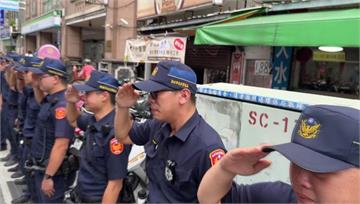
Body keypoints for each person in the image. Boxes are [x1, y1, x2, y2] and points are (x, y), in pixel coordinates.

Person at [198, 105, 360, 203]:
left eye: (320, 171)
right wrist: (225, 169)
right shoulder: (281, 198)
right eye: (297, 163)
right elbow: (208, 198)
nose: (301, 180)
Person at [114, 60, 227, 203]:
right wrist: (122, 107)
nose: (149, 100)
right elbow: (123, 136)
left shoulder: (207, 147)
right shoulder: (158, 126)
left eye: (155, 94)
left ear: (184, 96)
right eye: (150, 94)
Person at [65, 70, 132, 203]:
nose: (83, 97)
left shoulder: (115, 133)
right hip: (81, 195)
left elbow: (115, 185)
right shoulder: (93, 120)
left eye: (88, 93)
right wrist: (71, 102)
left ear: (104, 96)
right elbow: (73, 120)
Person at [28, 57, 76, 203]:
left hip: (53, 173)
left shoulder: (62, 105)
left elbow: (61, 145)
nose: (39, 79)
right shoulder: (52, 99)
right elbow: (40, 101)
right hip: (43, 166)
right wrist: (37, 84)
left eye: (42, 77)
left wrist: (48, 177)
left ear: (55, 78)